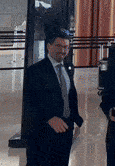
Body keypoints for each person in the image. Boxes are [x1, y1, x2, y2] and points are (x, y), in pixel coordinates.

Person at [24, 27, 84, 166]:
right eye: (58, 46)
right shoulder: (35, 71)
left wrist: (76, 121)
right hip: (43, 133)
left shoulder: (68, 67)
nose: (63, 51)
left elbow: (70, 96)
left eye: (66, 47)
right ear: (48, 46)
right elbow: (31, 102)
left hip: (65, 131)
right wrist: (49, 118)